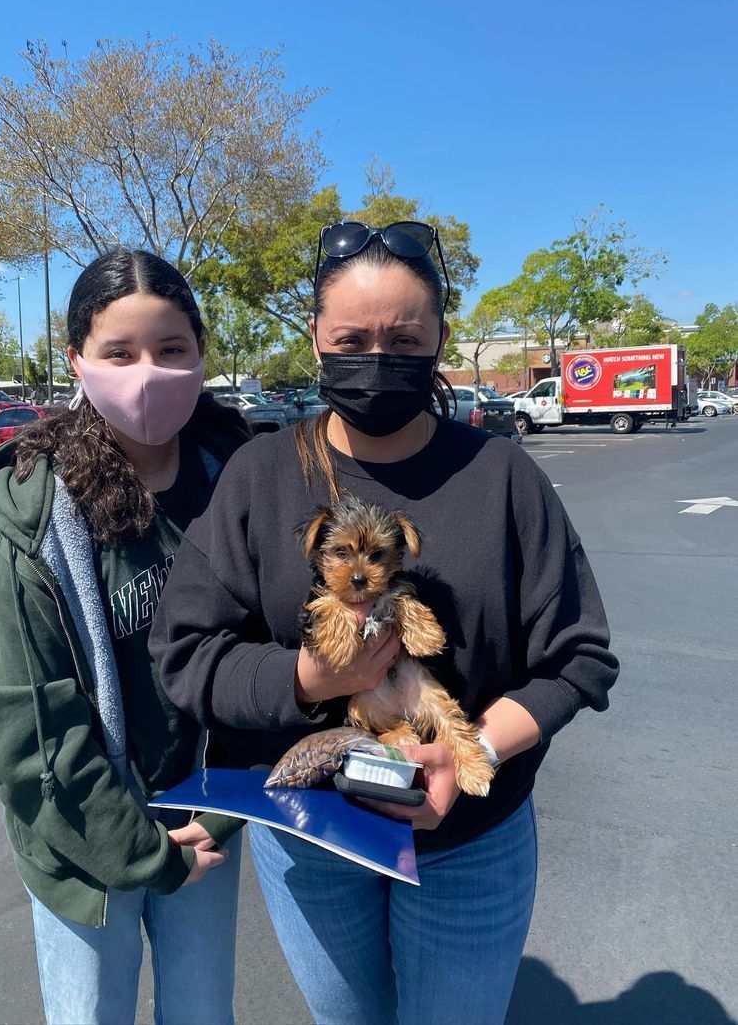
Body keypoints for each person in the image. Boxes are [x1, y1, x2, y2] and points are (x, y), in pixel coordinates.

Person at [149, 221, 620, 1025]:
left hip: (470, 839)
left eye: (404, 338)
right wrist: (307, 678)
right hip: (310, 837)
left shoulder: (502, 475)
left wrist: (472, 752)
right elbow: (185, 653)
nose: (377, 358)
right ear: (315, 340)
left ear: (441, 336)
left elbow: (577, 658)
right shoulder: (262, 477)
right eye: (352, 338)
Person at [0, 248, 249, 1025]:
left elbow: (269, 660)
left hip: (207, 823)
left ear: (201, 353)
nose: (146, 372)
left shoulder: (239, 483)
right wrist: (143, 854)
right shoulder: (36, 514)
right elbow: (11, 720)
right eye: (119, 352)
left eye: (170, 349)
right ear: (78, 360)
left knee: (202, 1014)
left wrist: (214, 819)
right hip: (86, 848)